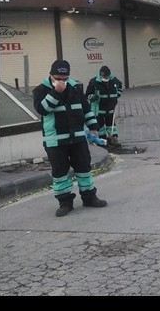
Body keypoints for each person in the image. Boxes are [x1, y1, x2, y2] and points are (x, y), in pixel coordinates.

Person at [32, 60, 108, 217]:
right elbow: (42, 109)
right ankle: (65, 203)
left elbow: (86, 108)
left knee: (84, 169)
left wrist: (93, 127)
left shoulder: (75, 88)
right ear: (51, 75)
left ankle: (89, 197)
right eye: (58, 78)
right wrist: (56, 92)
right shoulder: (41, 90)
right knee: (60, 173)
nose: (62, 82)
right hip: (55, 140)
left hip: (78, 138)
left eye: (65, 78)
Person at [85, 65, 123, 146]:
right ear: (100, 75)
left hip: (110, 108)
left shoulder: (114, 80)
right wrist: (93, 97)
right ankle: (103, 140)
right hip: (98, 110)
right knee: (100, 125)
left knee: (111, 125)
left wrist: (117, 95)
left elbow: (120, 87)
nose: (105, 78)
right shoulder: (94, 82)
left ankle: (113, 138)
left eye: (106, 76)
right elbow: (87, 95)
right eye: (103, 76)